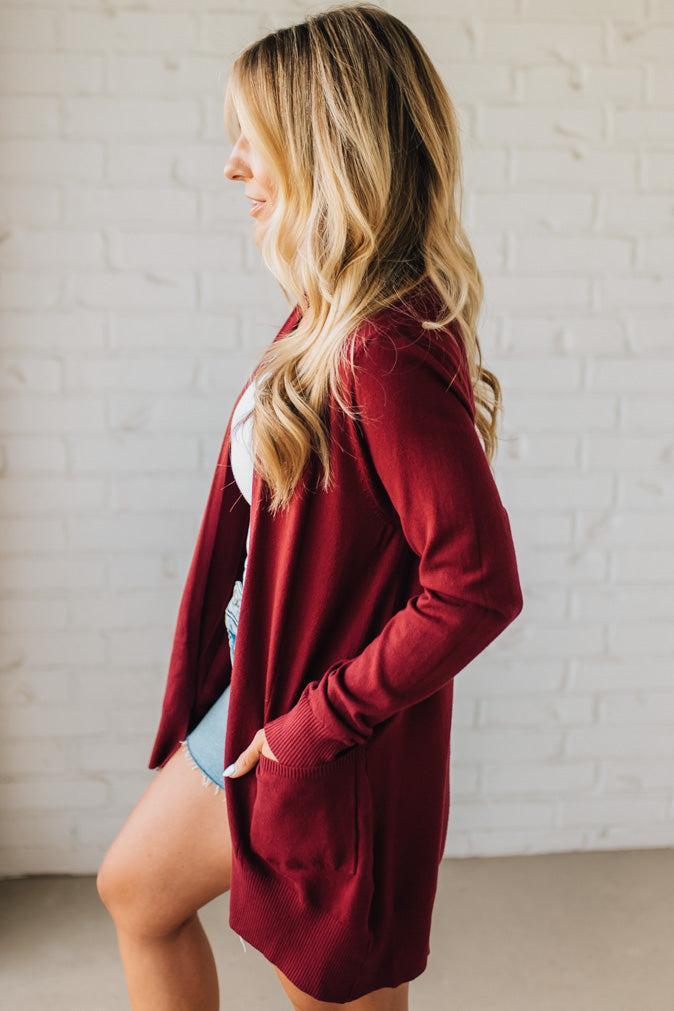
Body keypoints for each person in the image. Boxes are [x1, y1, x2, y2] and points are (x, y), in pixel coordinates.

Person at [96, 5, 524, 1010]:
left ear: (323, 147)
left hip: (314, 721)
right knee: (135, 891)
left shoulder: (380, 345)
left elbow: (473, 587)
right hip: (257, 684)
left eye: (255, 138)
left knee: (328, 986)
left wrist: (307, 729)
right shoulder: (331, 316)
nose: (235, 166)